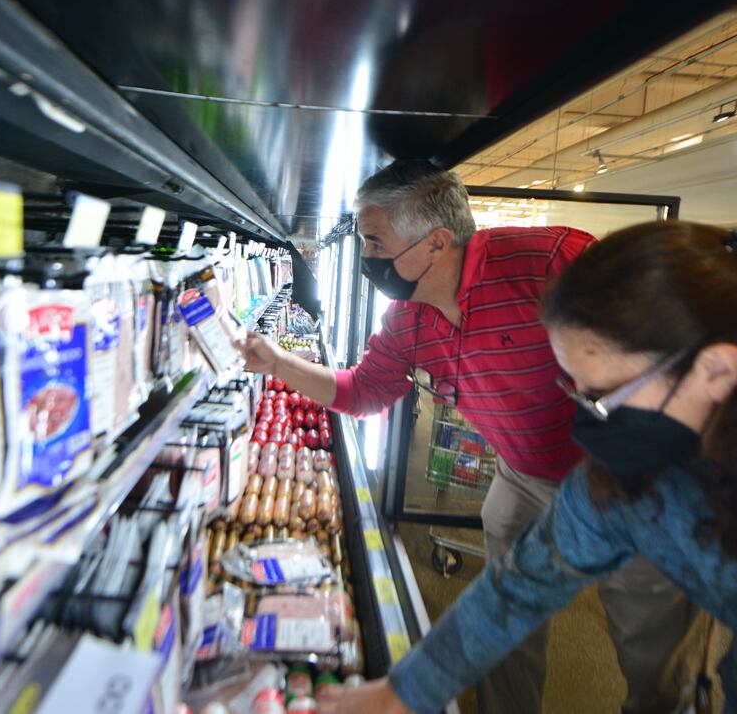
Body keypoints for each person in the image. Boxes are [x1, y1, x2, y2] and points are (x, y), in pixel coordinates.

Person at [317, 221, 737, 714]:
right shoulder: (636, 480)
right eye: (577, 389)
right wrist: (401, 691)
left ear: (717, 369)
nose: (590, 417)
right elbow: (523, 582)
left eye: (607, 394)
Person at [237, 160, 699, 713]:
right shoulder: (407, 319)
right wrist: (276, 361)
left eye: (374, 241)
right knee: (505, 616)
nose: (367, 259)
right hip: (521, 475)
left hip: (626, 478)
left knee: (649, 639)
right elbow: (362, 392)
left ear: (435, 242)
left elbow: (663, 351)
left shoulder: (551, 263)